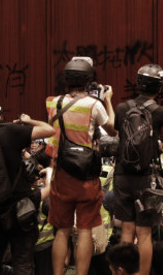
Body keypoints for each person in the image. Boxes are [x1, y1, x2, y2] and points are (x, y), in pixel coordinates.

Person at [45, 57, 116, 275]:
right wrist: (109, 101)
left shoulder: (53, 103)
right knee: (84, 230)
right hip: (86, 177)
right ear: (88, 81)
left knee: (62, 231)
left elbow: (53, 140)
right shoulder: (94, 105)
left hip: (62, 175)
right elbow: (112, 130)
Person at [113, 63, 163, 275]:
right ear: (160, 87)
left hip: (123, 175)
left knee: (126, 230)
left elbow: (117, 132)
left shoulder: (122, 108)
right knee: (144, 233)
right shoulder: (160, 111)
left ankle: (122, 272)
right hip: (147, 179)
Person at [0, 97, 55, 275]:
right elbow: (49, 130)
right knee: (23, 264)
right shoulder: (9, 131)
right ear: (0, 115)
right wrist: (27, 121)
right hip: (21, 212)